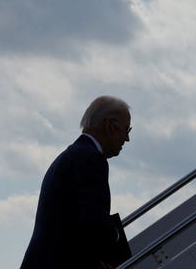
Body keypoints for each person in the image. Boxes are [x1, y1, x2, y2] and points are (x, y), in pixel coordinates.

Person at [21, 95, 132, 269]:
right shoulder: (92, 159)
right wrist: (115, 235)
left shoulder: (71, 156)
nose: (127, 139)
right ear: (110, 125)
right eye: (127, 130)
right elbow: (93, 222)